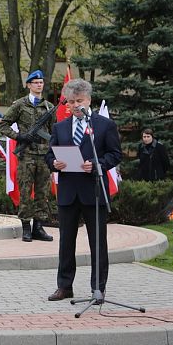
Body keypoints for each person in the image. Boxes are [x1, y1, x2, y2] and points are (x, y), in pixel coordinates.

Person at [45, 78, 122, 301]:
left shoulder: (104, 125)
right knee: (66, 242)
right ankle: (64, 286)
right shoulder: (60, 127)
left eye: (79, 101)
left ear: (88, 100)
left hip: (93, 191)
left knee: (97, 242)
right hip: (68, 192)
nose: (75, 105)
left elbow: (115, 154)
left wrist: (97, 165)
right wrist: (54, 164)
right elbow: (49, 155)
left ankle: (98, 288)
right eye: (71, 101)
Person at [0, 69, 54, 242]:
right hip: (26, 156)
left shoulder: (49, 107)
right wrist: (19, 136)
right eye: (36, 82)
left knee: (42, 193)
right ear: (29, 85)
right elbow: (3, 125)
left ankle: (38, 227)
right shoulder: (20, 105)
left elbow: (54, 132)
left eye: (41, 82)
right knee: (25, 192)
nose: (39, 85)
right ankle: (26, 227)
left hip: (44, 156)